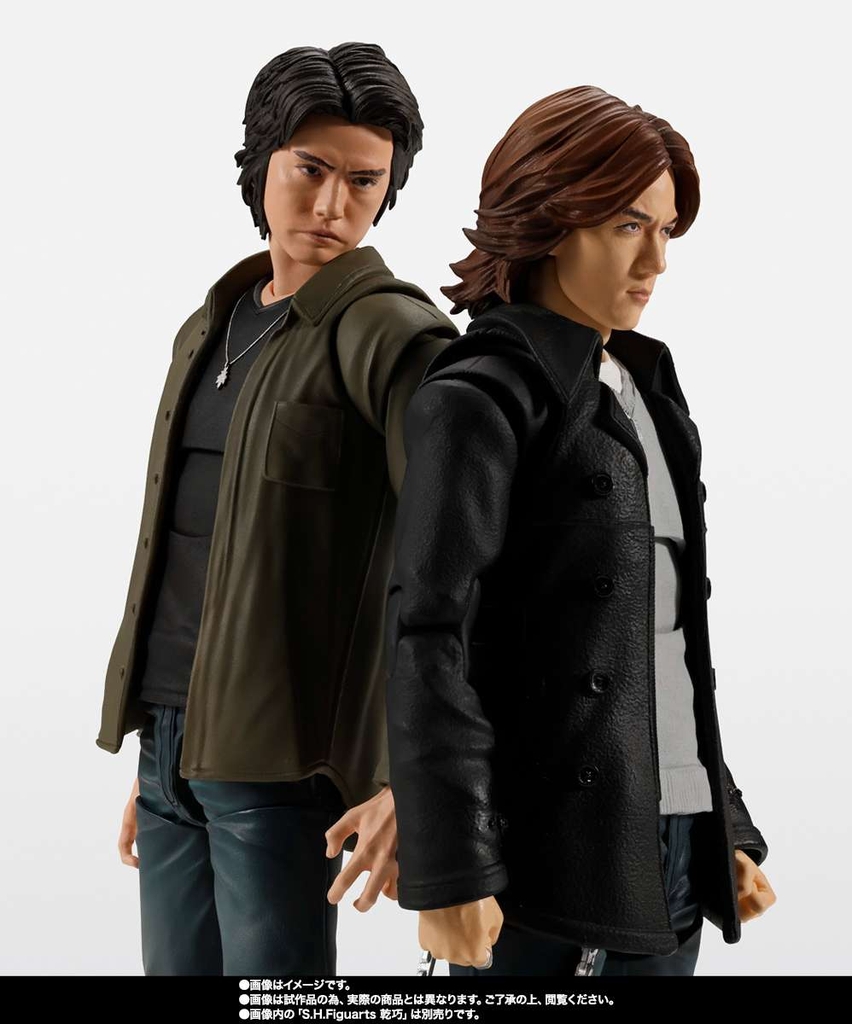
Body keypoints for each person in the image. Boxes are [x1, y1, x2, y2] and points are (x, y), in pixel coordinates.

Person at [385, 85, 776, 977]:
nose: (657, 261)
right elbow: (429, 638)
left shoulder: (647, 394)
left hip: (673, 844)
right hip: (543, 860)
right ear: (550, 221)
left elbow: (667, 643)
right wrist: (452, 870)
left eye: (665, 230)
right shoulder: (481, 397)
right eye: (628, 226)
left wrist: (721, 822)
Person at [97, 43, 456, 976]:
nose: (334, 204)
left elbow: (454, 560)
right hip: (174, 741)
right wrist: (162, 755)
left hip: (284, 761)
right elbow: (186, 541)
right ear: (261, 166)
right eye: (311, 170)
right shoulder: (212, 324)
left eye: (364, 181)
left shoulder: (392, 334)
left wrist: (410, 776)